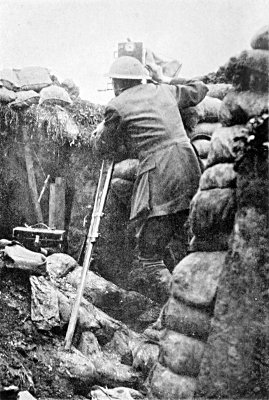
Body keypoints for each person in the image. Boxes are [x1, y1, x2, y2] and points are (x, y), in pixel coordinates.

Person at [91, 56, 208, 302]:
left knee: (149, 256)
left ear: (117, 83)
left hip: (162, 178)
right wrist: (163, 77)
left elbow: (106, 149)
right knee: (187, 239)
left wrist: (100, 132)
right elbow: (200, 88)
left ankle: (179, 307)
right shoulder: (163, 90)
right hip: (190, 167)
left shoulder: (117, 105)